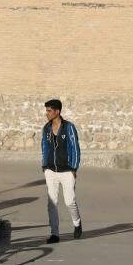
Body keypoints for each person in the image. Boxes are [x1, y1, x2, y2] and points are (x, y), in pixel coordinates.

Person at [40, 99, 81, 243]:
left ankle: (76, 223)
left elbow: (75, 148)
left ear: (57, 111)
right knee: (52, 202)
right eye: (46, 110)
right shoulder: (46, 128)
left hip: (67, 171)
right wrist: (45, 166)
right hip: (51, 171)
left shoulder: (69, 127)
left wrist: (74, 168)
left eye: (49, 111)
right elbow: (44, 147)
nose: (47, 113)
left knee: (69, 201)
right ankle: (55, 233)